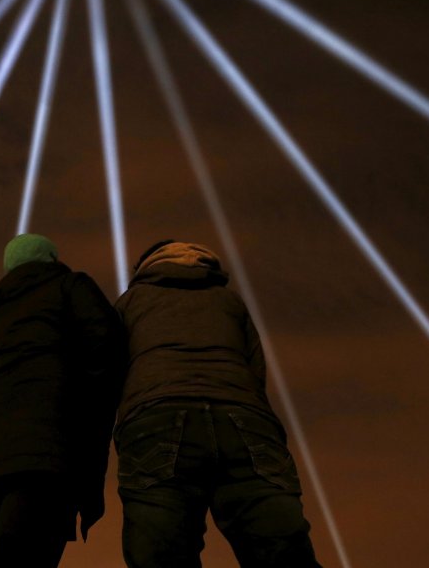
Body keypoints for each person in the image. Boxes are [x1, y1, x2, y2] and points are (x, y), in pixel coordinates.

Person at [113, 240, 322, 568]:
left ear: (143, 268)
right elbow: (256, 369)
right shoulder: (229, 301)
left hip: (157, 417)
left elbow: (111, 370)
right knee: (282, 548)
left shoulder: (130, 302)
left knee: (160, 552)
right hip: (243, 417)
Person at [0, 233, 126, 568]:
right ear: (51, 257)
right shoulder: (70, 286)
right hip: (47, 458)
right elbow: (106, 344)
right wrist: (79, 402)